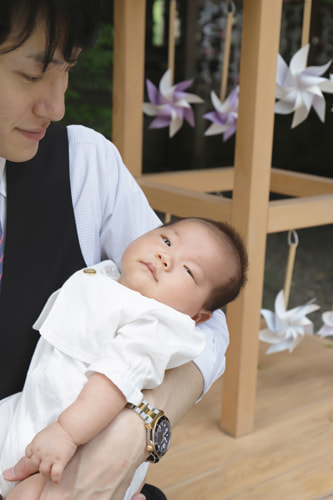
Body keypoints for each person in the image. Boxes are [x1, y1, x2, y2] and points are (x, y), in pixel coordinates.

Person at [0, 2, 233, 499]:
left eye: (68, 69)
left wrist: (137, 430)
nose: (57, 106)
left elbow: (205, 323)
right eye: (32, 73)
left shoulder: (85, 166)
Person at [0, 217, 248, 498]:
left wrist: (67, 433)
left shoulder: (156, 325)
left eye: (189, 271)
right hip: (33, 410)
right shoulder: (107, 275)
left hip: (80, 441)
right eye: (166, 241)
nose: (166, 258)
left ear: (197, 316)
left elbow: (114, 380)